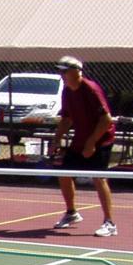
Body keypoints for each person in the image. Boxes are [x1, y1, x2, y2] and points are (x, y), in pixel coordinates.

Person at [50, 55, 117, 237]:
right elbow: (66, 118)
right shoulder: (67, 91)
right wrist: (57, 139)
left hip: (102, 138)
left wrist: (91, 143)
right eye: (60, 71)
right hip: (81, 138)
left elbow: (106, 120)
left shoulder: (90, 89)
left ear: (76, 71)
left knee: (98, 178)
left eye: (64, 71)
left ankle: (109, 223)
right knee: (64, 173)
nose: (61, 75)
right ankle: (71, 213)